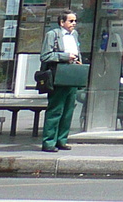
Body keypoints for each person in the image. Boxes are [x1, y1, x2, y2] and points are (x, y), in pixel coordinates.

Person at [40, 12, 83, 152]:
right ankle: (49, 142)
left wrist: (77, 61)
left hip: (72, 74)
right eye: (70, 21)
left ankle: (62, 140)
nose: (74, 23)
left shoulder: (74, 34)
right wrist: (65, 56)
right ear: (61, 22)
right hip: (58, 74)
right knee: (55, 109)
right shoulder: (53, 34)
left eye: (75, 21)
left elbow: (77, 51)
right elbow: (45, 55)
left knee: (68, 109)